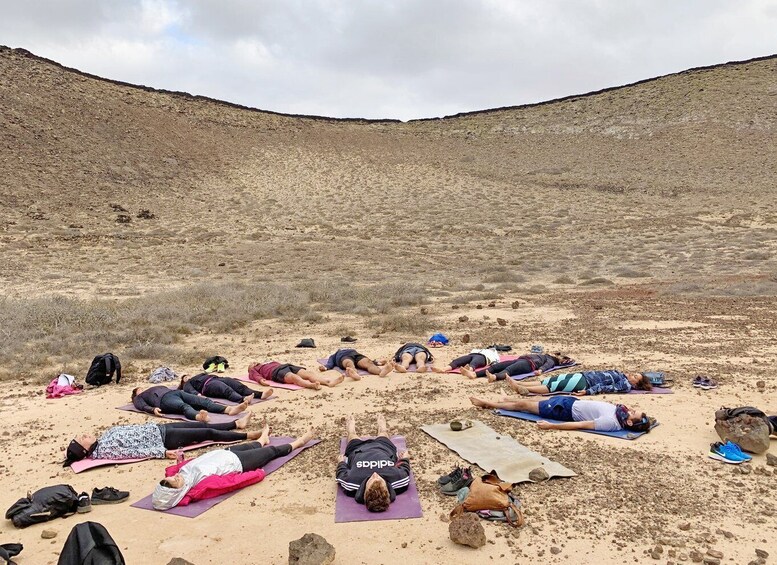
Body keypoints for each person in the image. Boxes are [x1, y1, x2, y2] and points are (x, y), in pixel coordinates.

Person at [152, 423, 315, 510]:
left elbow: (172, 470)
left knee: (252, 446)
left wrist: (173, 472)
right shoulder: (199, 487)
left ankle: (262, 439)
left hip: (224, 454)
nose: (176, 476)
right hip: (239, 463)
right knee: (272, 452)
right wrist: (257, 475)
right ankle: (299, 442)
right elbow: (230, 483)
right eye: (175, 481)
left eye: (172, 477)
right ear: (177, 493)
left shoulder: (180, 473)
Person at [62, 413, 259, 466]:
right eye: (81, 440)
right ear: (85, 450)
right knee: (207, 434)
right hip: (164, 439)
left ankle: (236, 424)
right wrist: (162, 452)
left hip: (159, 429)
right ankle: (246, 436)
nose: (84, 435)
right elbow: (133, 453)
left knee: (204, 427)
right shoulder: (105, 450)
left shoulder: (103, 440)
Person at [336, 414, 411, 512]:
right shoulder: (399, 479)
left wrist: (341, 462)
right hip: (383, 448)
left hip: (357, 449)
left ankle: (351, 429)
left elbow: (341, 474)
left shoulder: (352, 482)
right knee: (383, 434)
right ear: (388, 490)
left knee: (352, 437)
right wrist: (405, 458)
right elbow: (404, 468)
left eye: (371, 480)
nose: (375, 474)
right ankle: (382, 428)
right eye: (380, 479)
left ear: (364, 492)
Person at [469, 395, 653, 433]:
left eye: (633, 413)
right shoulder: (621, 414)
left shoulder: (610, 423)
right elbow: (644, 422)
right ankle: (504, 401)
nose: (631, 410)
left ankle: (487, 404)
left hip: (564, 411)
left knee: (524, 405)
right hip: (571, 402)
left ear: (629, 423)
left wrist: (551, 426)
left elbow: (580, 425)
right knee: (533, 401)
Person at [131, 385, 250, 422]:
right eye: (139, 389)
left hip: (176, 392)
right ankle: (198, 416)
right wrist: (152, 410)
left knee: (203, 401)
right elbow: (141, 406)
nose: (141, 389)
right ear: (136, 393)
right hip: (163, 400)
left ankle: (229, 410)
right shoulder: (139, 397)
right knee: (184, 406)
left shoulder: (153, 388)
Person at [508, 370, 652, 396]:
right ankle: (520, 385)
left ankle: (525, 389)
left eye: (635, 377)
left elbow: (606, 388)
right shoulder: (623, 376)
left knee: (554, 386)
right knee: (550, 380)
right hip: (584, 375)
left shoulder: (624, 385)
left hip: (586, 382)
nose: (632, 375)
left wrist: (589, 391)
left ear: (635, 384)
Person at [460, 352, 574, 381]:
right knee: (496, 366)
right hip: (521, 360)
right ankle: (474, 374)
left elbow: (547, 366)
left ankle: (494, 378)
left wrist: (540, 370)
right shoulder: (547, 356)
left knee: (508, 370)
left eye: (560, 356)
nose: (557, 355)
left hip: (528, 365)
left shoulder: (551, 360)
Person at [180, 373, 274, 402]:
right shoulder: (187, 383)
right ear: (183, 381)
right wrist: (199, 395)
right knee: (225, 389)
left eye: (187, 375)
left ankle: (260, 395)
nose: (188, 376)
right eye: (185, 377)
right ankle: (242, 399)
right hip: (207, 386)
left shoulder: (200, 374)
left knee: (238, 385)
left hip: (217, 378)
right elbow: (190, 390)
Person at [248, 361, 344, 389]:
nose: (253, 362)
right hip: (275, 373)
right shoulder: (253, 370)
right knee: (294, 378)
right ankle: (311, 385)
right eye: (251, 364)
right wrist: (261, 380)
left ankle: (329, 382)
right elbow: (255, 376)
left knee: (308, 373)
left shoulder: (266, 363)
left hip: (287, 366)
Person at [318, 348, 393, 380]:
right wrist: (326, 367)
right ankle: (354, 373)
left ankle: (381, 372)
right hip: (344, 357)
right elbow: (330, 362)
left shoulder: (352, 350)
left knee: (368, 362)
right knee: (349, 363)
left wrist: (377, 363)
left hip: (356, 355)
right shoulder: (336, 354)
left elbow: (369, 360)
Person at [431, 347, 500, 374]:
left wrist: (493, 364)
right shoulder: (478, 349)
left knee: (474, 362)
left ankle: (469, 370)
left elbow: (496, 361)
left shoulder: (494, 353)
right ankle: (444, 369)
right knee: (457, 361)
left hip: (484, 357)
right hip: (472, 355)